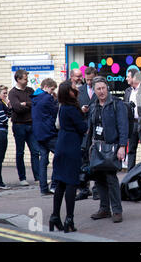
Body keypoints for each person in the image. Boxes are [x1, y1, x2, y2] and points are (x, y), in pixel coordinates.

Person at [88, 76, 128, 223]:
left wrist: (122, 147)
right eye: (98, 89)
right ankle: (104, 209)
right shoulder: (93, 106)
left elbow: (123, 127)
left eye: (103, 88)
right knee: (99, 180)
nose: (101, 91)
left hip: (112, 147)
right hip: (97, 147)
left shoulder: (117, 104)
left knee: (111, 179)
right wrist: (86, 148)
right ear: (94, 90)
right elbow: (90, 128)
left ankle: (117, 210)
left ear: (107, 88)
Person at [50, 81, 88, 233]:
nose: (76, 88)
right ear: (69, 92)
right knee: (71, 183)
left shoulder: (62, 107)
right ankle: (69, 219)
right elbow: (82, 128)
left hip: (61, 145)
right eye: (73, 88)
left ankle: (54, 216)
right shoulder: (72, 108)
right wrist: (84, 118)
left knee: (60, 183)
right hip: (71, 146)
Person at [8, 69, 40, 186]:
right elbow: (16, 108)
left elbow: (36, 103)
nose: (27, 80)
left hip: (31, 125)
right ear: (18, 79)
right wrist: (28, 105)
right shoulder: (12, 93)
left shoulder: (30, 90)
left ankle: (38, 177)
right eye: (25, 79)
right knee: (20, 152)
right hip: (19, 125)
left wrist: (25, 104)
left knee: (35, 151)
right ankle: (22, 178)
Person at [31, 78, 58, 196]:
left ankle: (43, 188)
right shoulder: (47, 98)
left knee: (43, 160)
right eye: (52, 89)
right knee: (60, 156)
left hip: (38, 133)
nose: (52, 92)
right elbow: (55, 112)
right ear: (46, 86)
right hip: (49, 133)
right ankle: (54, 185)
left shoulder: (34, 98)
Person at [75, 66, 99, 201]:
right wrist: (81, 109)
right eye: (87, 80)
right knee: (82, 160)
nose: (89, 82)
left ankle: (97, 190)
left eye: (91, 79)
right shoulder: (80, 90)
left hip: (97, 130)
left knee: (96, 160)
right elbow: (74, 108)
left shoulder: (101, 89)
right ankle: (83, 189)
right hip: (83, 131)